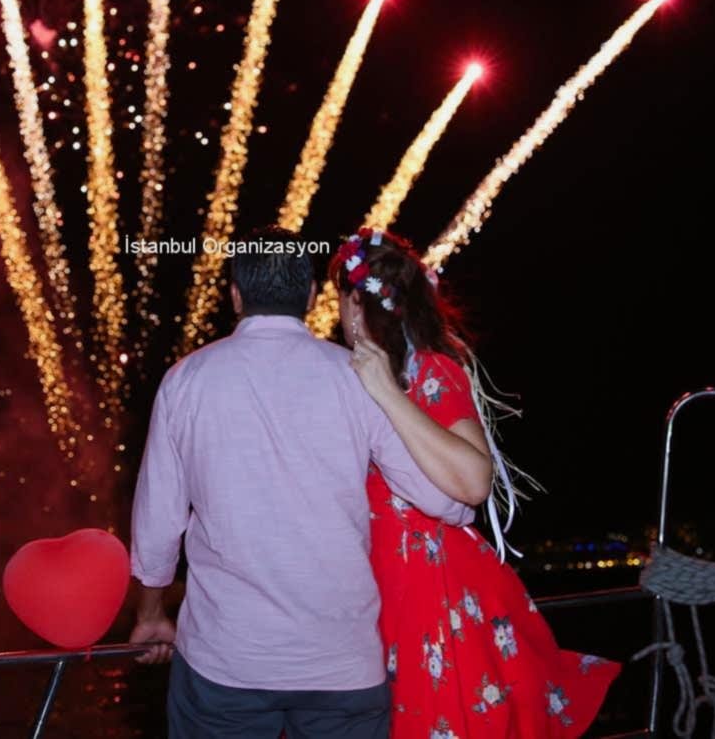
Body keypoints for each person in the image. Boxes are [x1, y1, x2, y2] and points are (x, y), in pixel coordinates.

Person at [129, 227, 476, 738]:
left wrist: (151, 614)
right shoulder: (356, 377)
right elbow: (445, 501)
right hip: (343, 665)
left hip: (227, 663)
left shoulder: (186, 380)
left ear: (235, 296)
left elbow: (158, 525)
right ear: (312, 296)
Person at [332, 228, 620, 738]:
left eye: (339, 300)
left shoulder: (431, 371)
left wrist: (387, 393)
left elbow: (474, 481)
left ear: (357, 304)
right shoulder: (343, 379)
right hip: (371, 592)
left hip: (430, 592)